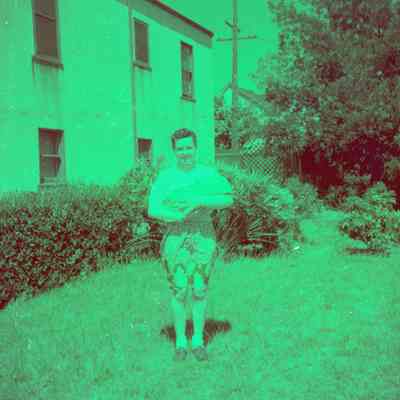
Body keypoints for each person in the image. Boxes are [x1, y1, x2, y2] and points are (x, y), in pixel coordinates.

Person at [147, 128, 234, 362]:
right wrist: (174, 216)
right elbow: (153, 208)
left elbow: (228, 199)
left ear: (195, 148)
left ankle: (197, 340)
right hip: (176, 235)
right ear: (174, 151)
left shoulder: (208, 174)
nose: (185, 152)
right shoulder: (166, 177)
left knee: (199, 288)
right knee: (179, 289)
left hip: (203, 235)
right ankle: (180, 342)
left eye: (188, 147)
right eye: (180, 148)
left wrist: (199, 200)